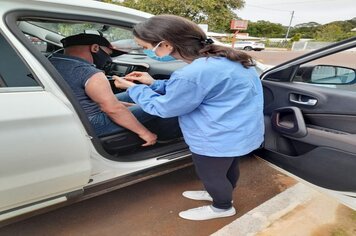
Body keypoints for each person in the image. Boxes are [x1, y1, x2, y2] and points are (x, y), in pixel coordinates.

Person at [114, 15, 264, 220]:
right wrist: (153, 83)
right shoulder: (225, 59)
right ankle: (219, 193)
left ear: (165, 44)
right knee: (227, 167)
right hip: (237, 132)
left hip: (215, 138)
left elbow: (166, 108)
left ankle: (222, 207)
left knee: (211, 174)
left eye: (146, 47)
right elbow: (198, 89)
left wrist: (133, 89)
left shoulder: (193, 73)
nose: (148, 52)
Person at [49, 33, 179, 146]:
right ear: (95, 48)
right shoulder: (88, 72)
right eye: (108, 54)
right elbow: (113, 109)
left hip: (76, 113)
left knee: (133, 94)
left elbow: (91, 99)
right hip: (91, 123)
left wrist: (133, 105)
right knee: (165, 105)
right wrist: (145, 133)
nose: (109, 59)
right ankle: (168, 137)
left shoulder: (52, 62)